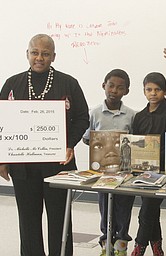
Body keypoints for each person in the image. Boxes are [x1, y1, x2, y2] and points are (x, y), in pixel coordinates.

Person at [0, 34, 89, 256]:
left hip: (59, 166)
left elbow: (82, 118)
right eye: (35, 52)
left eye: (45, 53)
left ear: (53, 56)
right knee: (28, 221)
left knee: (60, 219)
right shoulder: (12, 84)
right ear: (27, 54)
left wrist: (69, 145)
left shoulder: (68, 83)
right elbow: (2, 121)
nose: (39, 57)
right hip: (23, 167)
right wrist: (2, 159)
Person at [82, 69, 136, 256]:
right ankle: (106, 244)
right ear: (103, 85)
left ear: (126, 91)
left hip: (125, 173)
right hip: (102, 174)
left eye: (120, 87)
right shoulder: (94, 113)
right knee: (105, 208)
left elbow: (136, 143)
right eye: (111, 85)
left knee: (124, 208)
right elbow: (87, 138)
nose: (114, 90)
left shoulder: (131, 115)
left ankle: (121, 245)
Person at [130, 72, 166, 256]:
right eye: (149, 89)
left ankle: (139, 246)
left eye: (157, 89)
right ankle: (157, 247)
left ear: (165, 91)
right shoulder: (140, 116)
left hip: (163, 171)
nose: (153, 93)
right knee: (151, 210)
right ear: (144, 92)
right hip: (142, 171)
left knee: (147, 211)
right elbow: (136, 142)